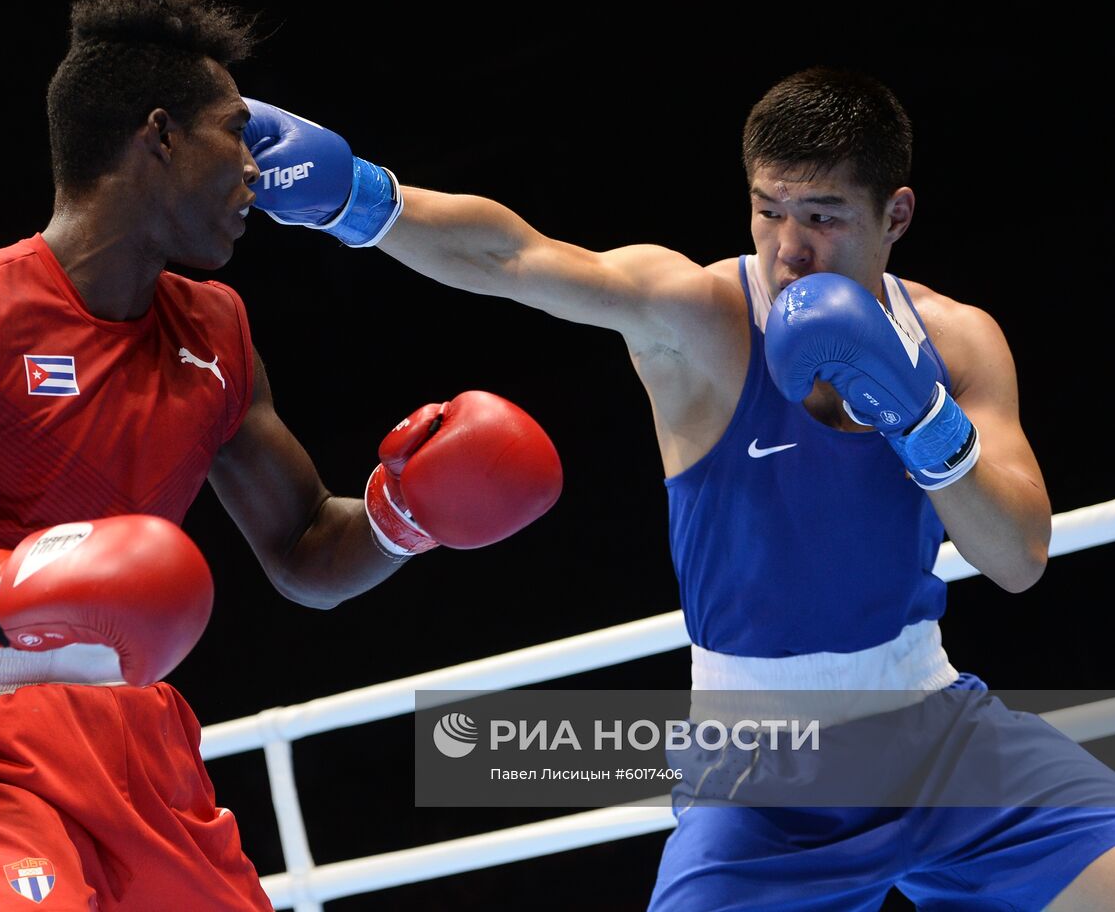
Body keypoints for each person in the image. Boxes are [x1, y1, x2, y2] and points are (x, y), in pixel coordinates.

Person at [0, 0, 563, 912]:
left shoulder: (217, 329)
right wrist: (8, 589)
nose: (257, 169)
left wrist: (406, 515)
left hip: (143, 743)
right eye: (235, 134)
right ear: (160, 137)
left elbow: (306, 551)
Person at [241, 70, 1115, 909]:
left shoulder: (956, 342)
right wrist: (353, 195)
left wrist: (918, 415)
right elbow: (510, 256)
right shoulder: (698, 317)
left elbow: (1018, 558)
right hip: (756, 776)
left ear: (895, 215)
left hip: (938, 736)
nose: (788, 247)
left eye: (822, 216)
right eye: (768, 210)